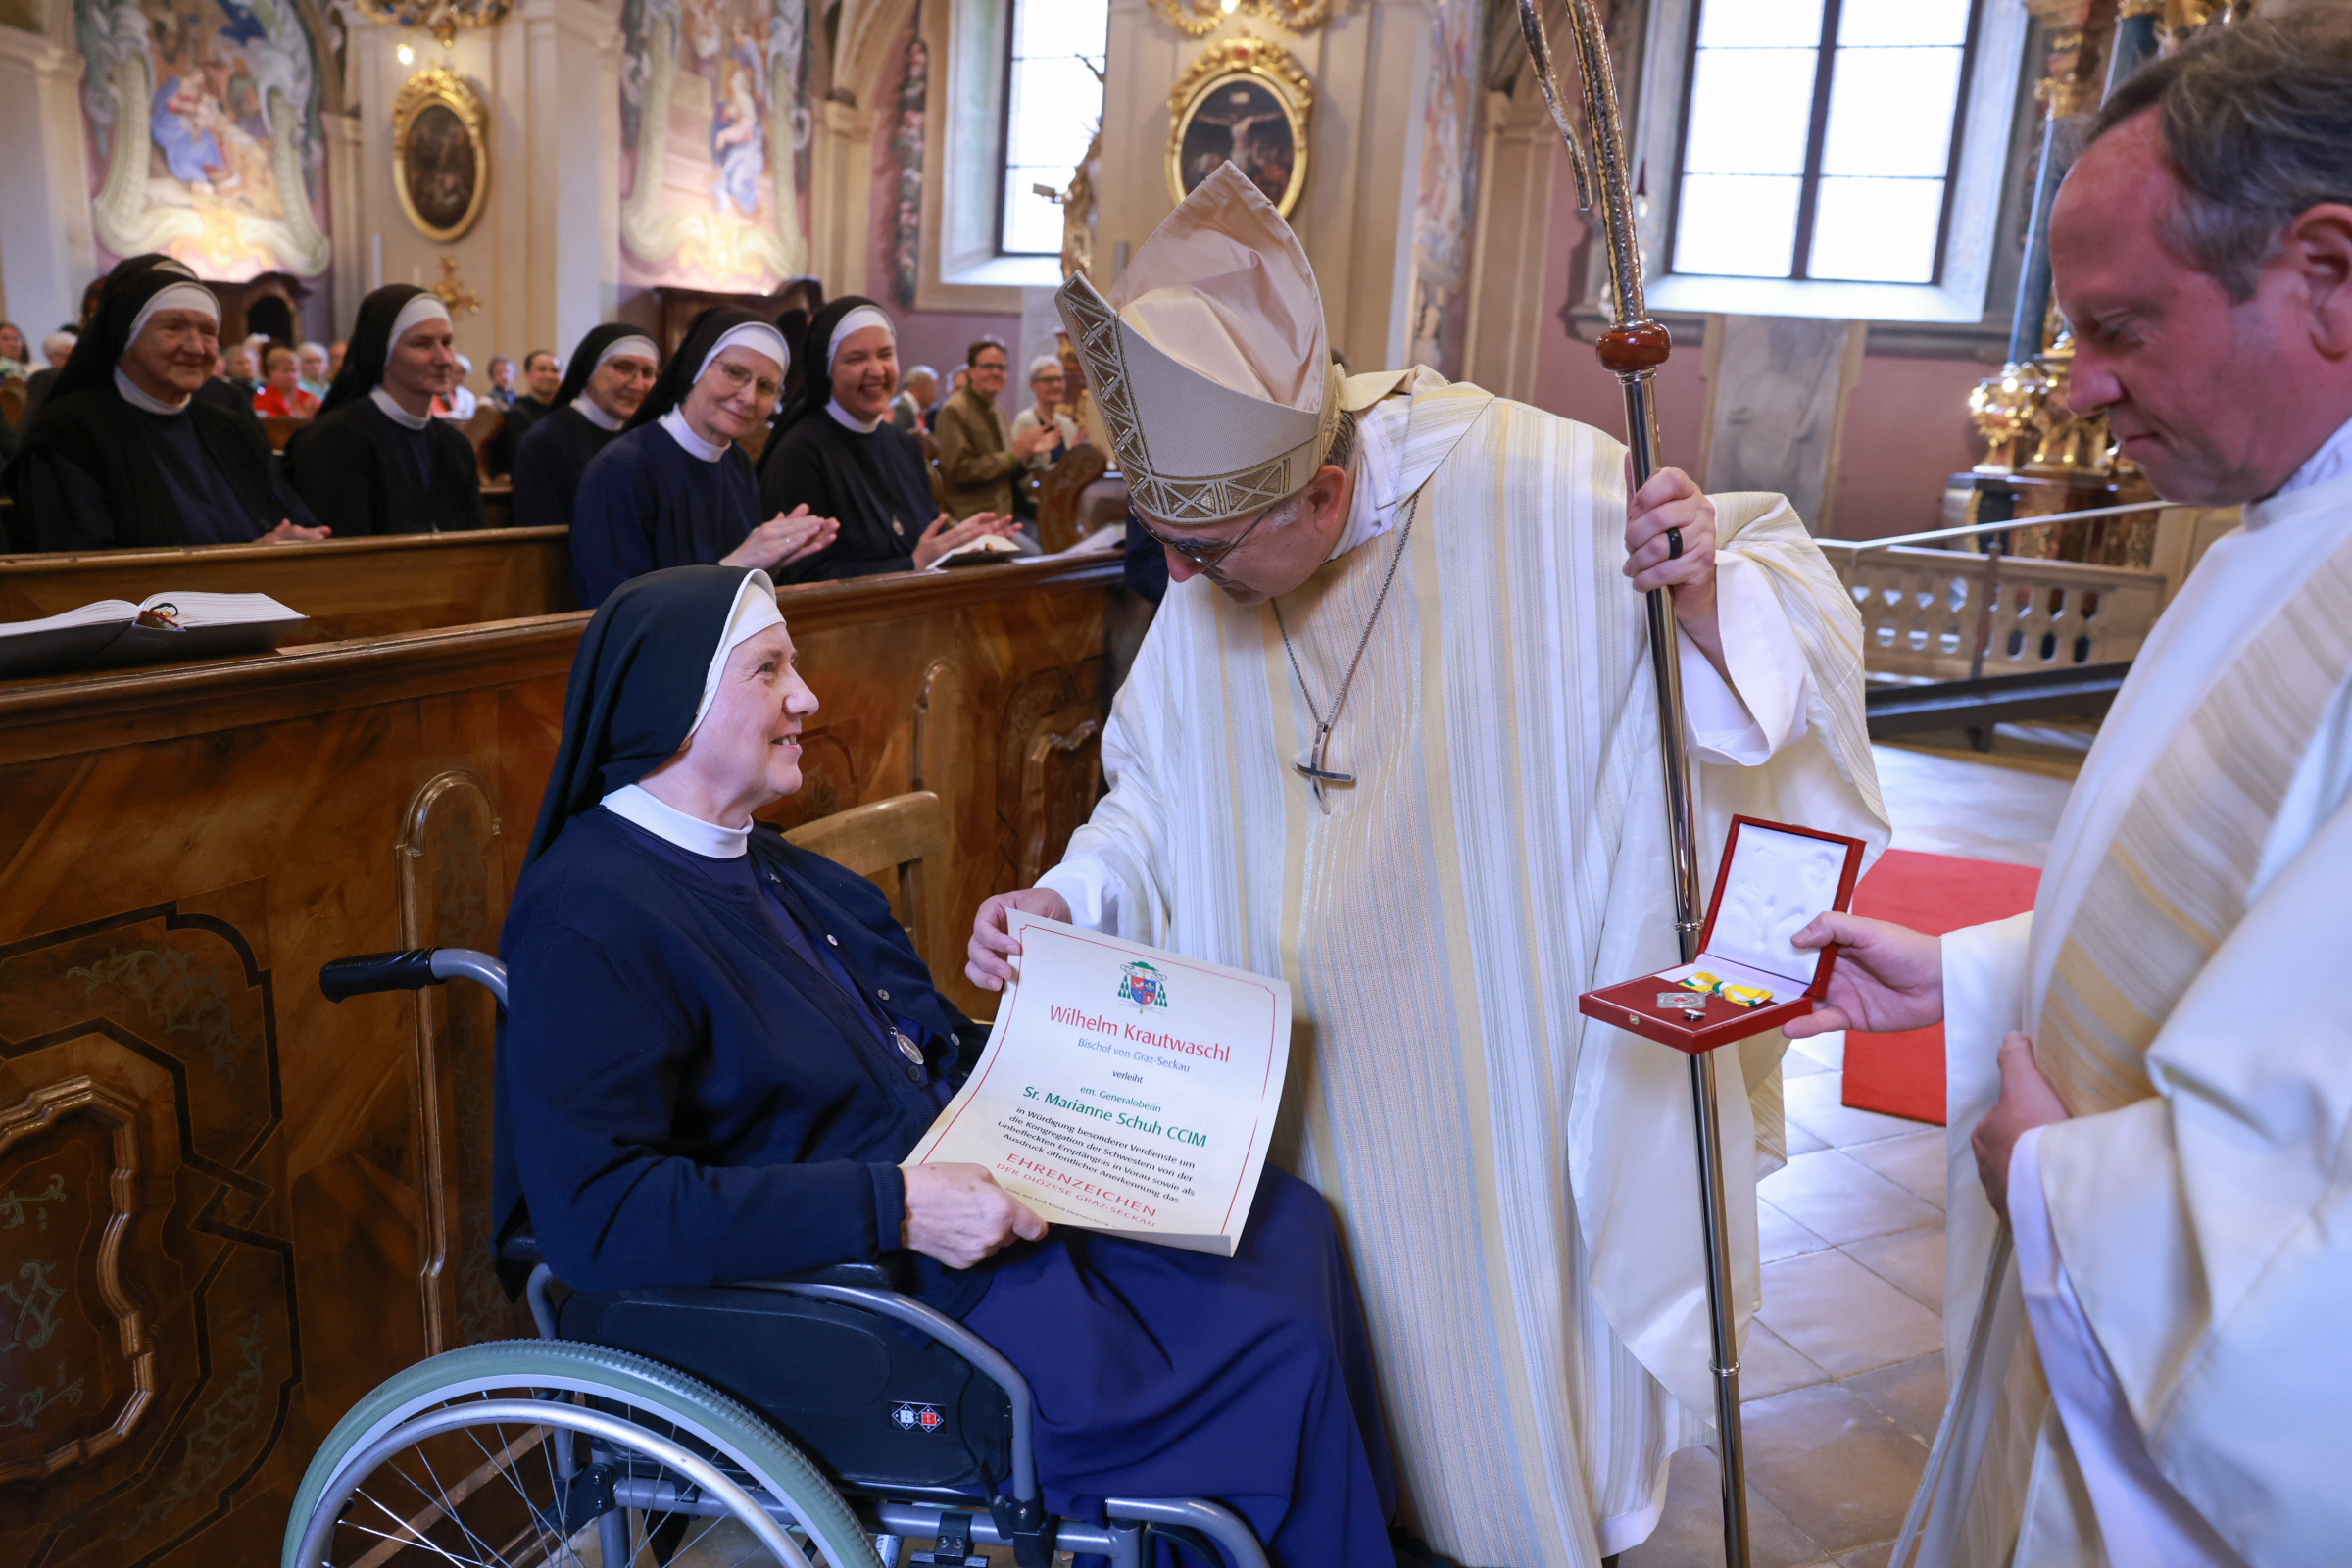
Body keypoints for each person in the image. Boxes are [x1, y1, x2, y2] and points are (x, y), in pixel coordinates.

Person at [963, 165, 1885, 1568]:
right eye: (1167, 550)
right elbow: (1158, 792)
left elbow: (1783, 666)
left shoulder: (1548, 491)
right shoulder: (1217, 554)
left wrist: (1703, 598)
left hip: (1496, 1061)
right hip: (1284, 1070)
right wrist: (1069, 899)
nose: (1183, 586)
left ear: (1326, 489)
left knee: (1493, 1361)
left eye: (1206, 551)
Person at [496, 564, 1399, 1565]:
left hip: (972, 1196)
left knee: (1284, 1224)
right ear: (677, 702)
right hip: (869, 1288)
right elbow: (601, 1216)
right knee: (1269, 1352)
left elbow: (913, 1047)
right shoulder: (588, 914)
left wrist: (1097, 1057)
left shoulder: (761, 859)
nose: (806, 697)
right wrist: (899, 1207)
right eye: (769, 670)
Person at [1786, 20, 2352, 1566]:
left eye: (2120, 327)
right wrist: (1980, 975)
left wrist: (2066, 1193)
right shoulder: (2276, 537)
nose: (2081, 386)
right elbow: (2239, 945)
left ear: (2327, 274)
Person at [1, 269, 326, 550]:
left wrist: (299, 536)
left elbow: (281, 508)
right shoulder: (70, 432)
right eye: (173, 327)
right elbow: (81, 567)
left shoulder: (232, 429)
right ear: (126, 339)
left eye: (208, 332)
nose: (196, 347)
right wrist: (246, 563)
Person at [567, 307, 836, 608]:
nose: (748, 398)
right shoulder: (621, 468)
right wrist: (739, 564)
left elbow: (737, 589)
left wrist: (769, 564)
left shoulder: (737, 463)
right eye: (735, 373)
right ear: (697, 367)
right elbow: (617, 609)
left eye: (765, 387)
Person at [757, 298, 1016, 580]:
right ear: (827, 369)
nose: (877, 371)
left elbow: (927, 539)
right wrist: (911, 564)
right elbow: (799, 577)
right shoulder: (799, 453)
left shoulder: (905, 446)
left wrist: (964, 544)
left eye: (885, 354)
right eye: (856, 358)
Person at [283, 284, 483, 536]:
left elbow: (475, 543)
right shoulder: (334, 440)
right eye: (422, 344)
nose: (444, 359)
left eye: (447, 342)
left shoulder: (456, 446)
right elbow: (341, 548)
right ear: (382, 352)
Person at [510, 323, 659, 532]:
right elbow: (542, 537)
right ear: (591, 369)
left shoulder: (646, 439)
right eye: (623, 368)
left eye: (647, 373)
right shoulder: (545, 440)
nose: (637, 384)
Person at [933, 337, 1059, 518]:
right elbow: (958, 472)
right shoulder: (954, 410)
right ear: (971, 371)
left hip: (1002, 512)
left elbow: (1006, 471)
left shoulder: (997, 408)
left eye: (1001, 367)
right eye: (988, 366)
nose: (995, 372)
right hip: (971, 516)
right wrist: (1012, 457)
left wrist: (1027, 454)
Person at [484, 346, 562, 476]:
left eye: (554, 370)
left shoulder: (565, 413)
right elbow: (527, 460)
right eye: (542, 369)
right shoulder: (516, 414)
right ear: (527, 374)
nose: (549, 375)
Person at [1009, 354, 1082, 478]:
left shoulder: (1067, 424)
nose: (1056, 385)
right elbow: (1016, 467)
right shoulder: (1025, 421)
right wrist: (1030, 454)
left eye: (1060, 379)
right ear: (1033, 385)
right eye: (1048, 380)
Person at [252, 344, 318, 418]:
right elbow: (272, 423)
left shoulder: (309, 397)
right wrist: (305, 416)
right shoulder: (263, 397)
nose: (291, 375)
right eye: (286, 371)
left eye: (294, 370)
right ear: (271, 372)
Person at [434, 354, 480, 420]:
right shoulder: (435, 393)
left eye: (463, 373)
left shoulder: (469, 396)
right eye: (457, 372)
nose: (459, 377)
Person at [892, 363, 935, 431]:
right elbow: (896, 437)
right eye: (932, 389)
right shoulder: (901, 408)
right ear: (922, 385)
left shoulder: (908, 407)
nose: (934, 396)